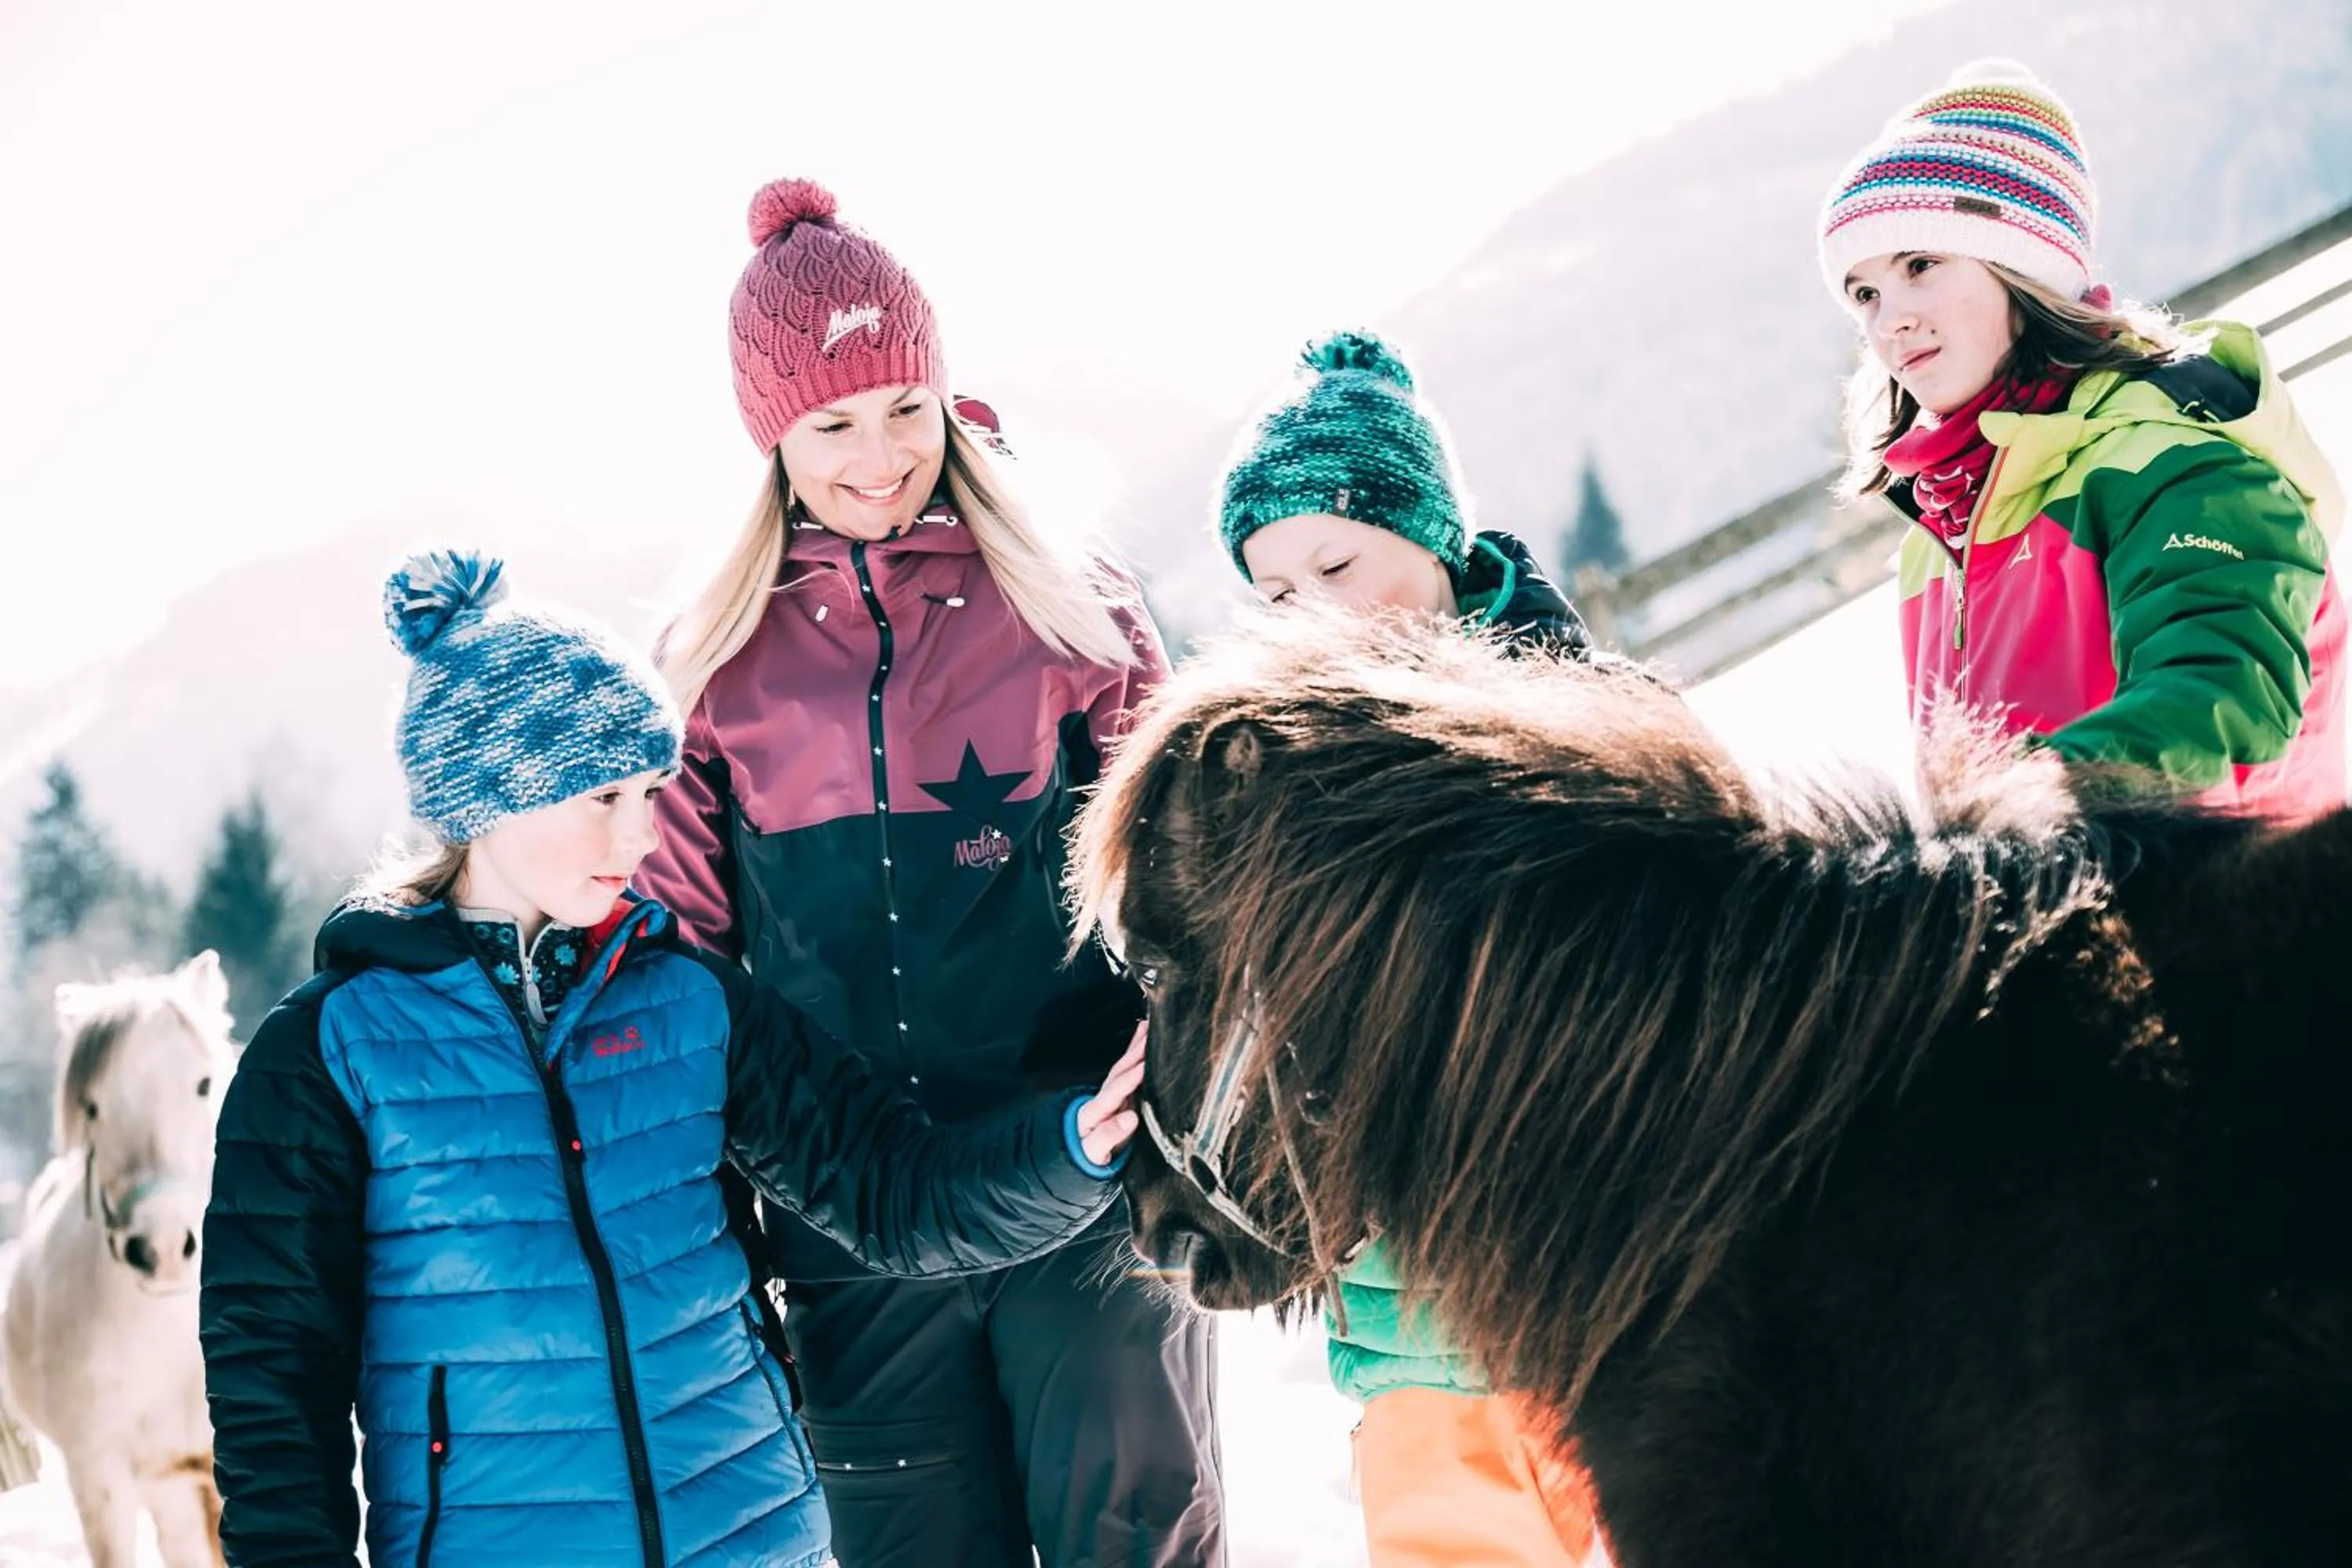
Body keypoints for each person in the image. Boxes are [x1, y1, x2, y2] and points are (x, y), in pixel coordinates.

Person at [199, 550, 1145, 1568]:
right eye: (602, 797)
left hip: (751, 1540)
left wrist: (1067, 1148)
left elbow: (892, 1191)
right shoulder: (327, 1052)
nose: (641, 834)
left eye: (651, 792)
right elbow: (271, 1384)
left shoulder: (693, 1004)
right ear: (487, 799)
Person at [636, 177, 1221, 1566]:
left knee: (1134, 1542)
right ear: (772, 437)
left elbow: (1188, 885)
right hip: (853, 1226)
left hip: (1084, 1182)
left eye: (907, 407)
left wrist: (1176, 1088)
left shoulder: (1068, 606)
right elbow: (686, 965)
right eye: (833, 424)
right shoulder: (717, 669)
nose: (882, 454)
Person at [1215, 328, 1607, 1566]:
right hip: (1418, 1354)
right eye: (1275, 595)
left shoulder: (1598, 733)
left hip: (1620, 1307)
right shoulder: (1278, 805)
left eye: (1338, 562)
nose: (1312, 613)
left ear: (1433, 537)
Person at [1820, 60, 2347, 820]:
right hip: (2069, 932)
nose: (1888, 320)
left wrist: (2014, 822)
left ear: (2024, 273)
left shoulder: (2173, 463)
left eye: (1921, 265)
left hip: (2234, 919)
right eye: (1864, 293)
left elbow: (2218, 694)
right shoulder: (1936, 538)